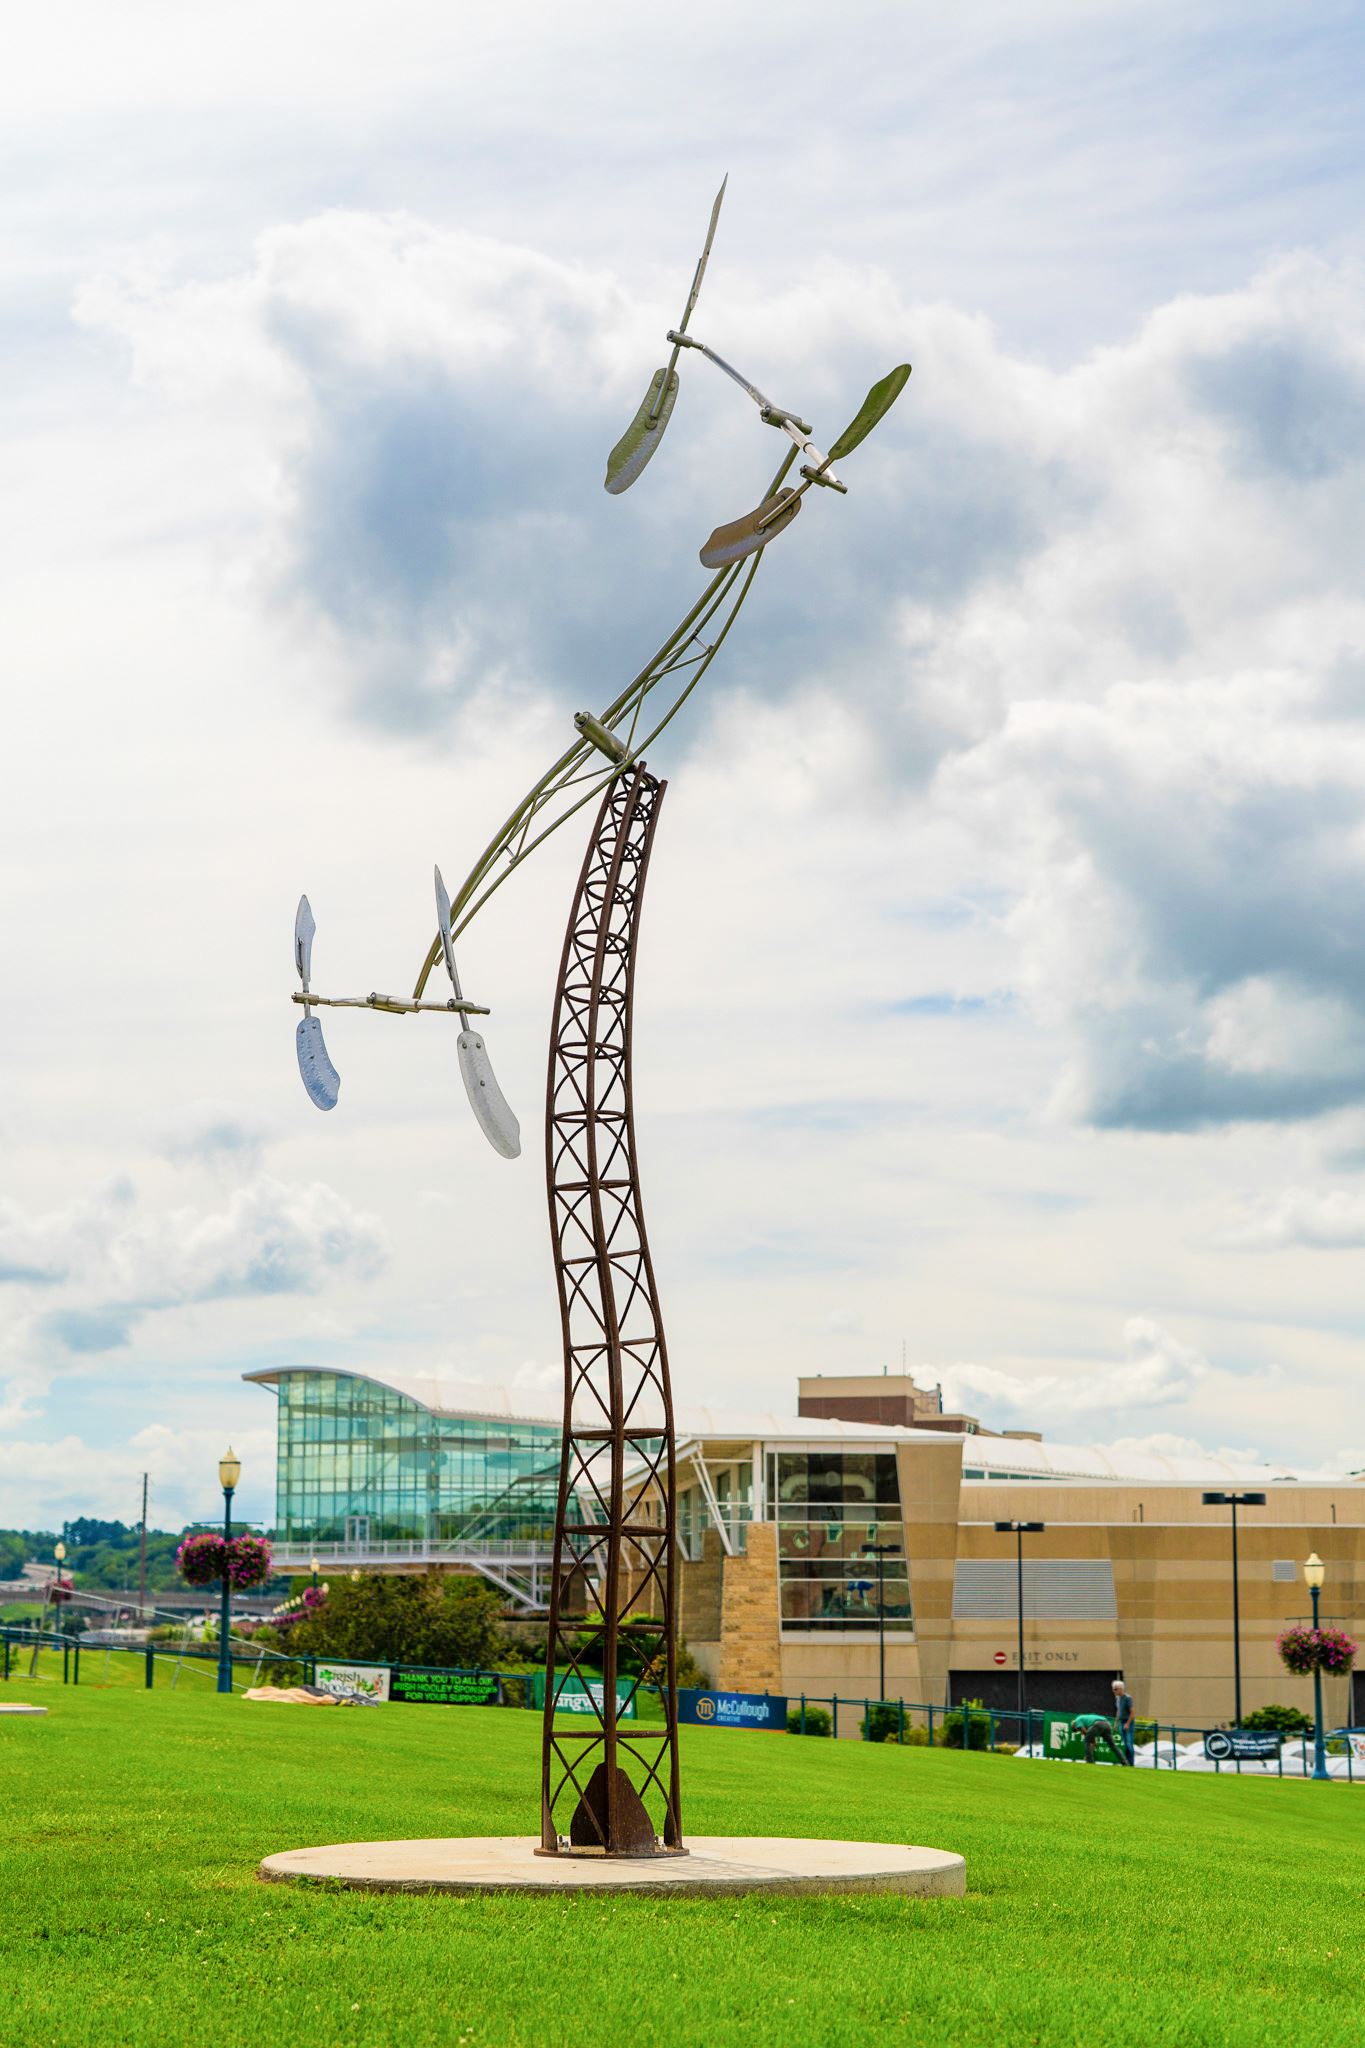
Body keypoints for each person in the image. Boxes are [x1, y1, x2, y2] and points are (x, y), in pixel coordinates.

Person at [1111, 1677, 1136, 1764]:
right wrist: (1116, 1723)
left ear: (1121, 1689)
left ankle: (1131, 1763)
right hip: (1122, 1722)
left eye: (1115, 1689)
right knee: (1125, 1745)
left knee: (1129, 1745)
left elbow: (1132, 1712)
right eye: (1113, 1689)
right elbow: (1118, 1711)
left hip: (1128, 1723)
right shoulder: (1117, 1699)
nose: (1113, 1691)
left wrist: (1128, 1724)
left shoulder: (1128, 1698)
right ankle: (1126, 1763)